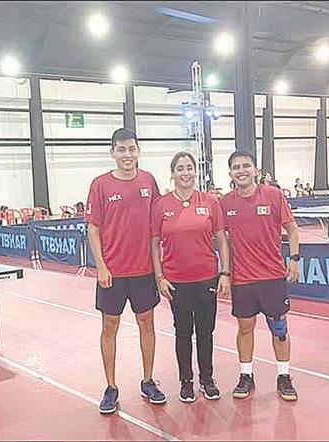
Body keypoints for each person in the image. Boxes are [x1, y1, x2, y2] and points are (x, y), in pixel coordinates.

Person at [85, 128, 166, 414]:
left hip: (144, 271)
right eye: (121, 149)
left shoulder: (149, 181)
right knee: (110, 327)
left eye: (131, 149)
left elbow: (159, 222)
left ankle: (148, 381)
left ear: (138, 151)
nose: (127, 155)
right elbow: (93, 229)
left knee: (147, 325)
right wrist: (101, 266)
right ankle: (111, 387)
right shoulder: (100, 185)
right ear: (112, 153)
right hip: (113, 273)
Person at [220, 151, 300, 402]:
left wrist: (294, 259)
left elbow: (292, 229)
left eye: (246, 166)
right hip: (242, 278)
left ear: (255, 170)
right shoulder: (225, 203)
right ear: (230, 173)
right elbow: (221, 240)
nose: (241, 170)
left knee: (279, 329)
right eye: (236, 167)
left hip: (272, 276)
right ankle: (246, 375)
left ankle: (284, 376)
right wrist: (225, 273)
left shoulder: (274, 196)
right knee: (245, 327)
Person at [151, 152, 231, 403]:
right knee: (183, 332)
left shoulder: (210, 202)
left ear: (195, 172)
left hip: (206, 278)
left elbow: (221, 239)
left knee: (205, 332)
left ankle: (207, 379)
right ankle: (186, 381)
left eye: (189, 168)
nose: (185, 173)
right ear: (172, 173)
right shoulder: (161, 205)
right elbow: (154, 243)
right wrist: (159, 277)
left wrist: (225, 272)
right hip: (177, 281)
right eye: (180, 169)